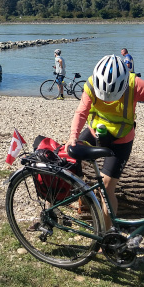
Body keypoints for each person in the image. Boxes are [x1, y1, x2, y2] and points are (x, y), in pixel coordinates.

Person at [65, 55, 144, 229]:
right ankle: (52, 212)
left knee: (107, 189)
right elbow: (81, 113)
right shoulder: (92, 84)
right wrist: (73, 137)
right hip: (95, 131)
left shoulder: (135, 84)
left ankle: (107, 234)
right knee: (66, 159)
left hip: (121, 139)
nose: (107, 100)